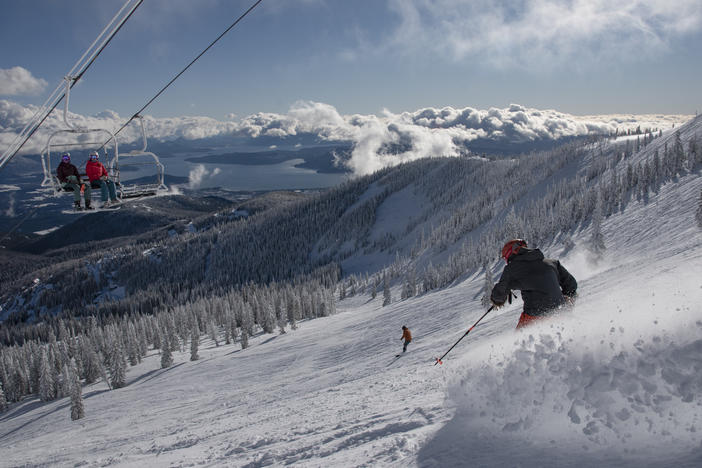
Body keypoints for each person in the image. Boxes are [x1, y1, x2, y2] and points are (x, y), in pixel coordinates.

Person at [491, 239, 577, 328]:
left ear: (510, 253)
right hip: (561, 310)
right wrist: (567, 300)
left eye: (505, 257)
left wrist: (497, 298)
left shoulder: (511, 269)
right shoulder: (552, 262)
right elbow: (571, 285)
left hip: (534, 317)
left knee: (519, 340)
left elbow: (498, 296)